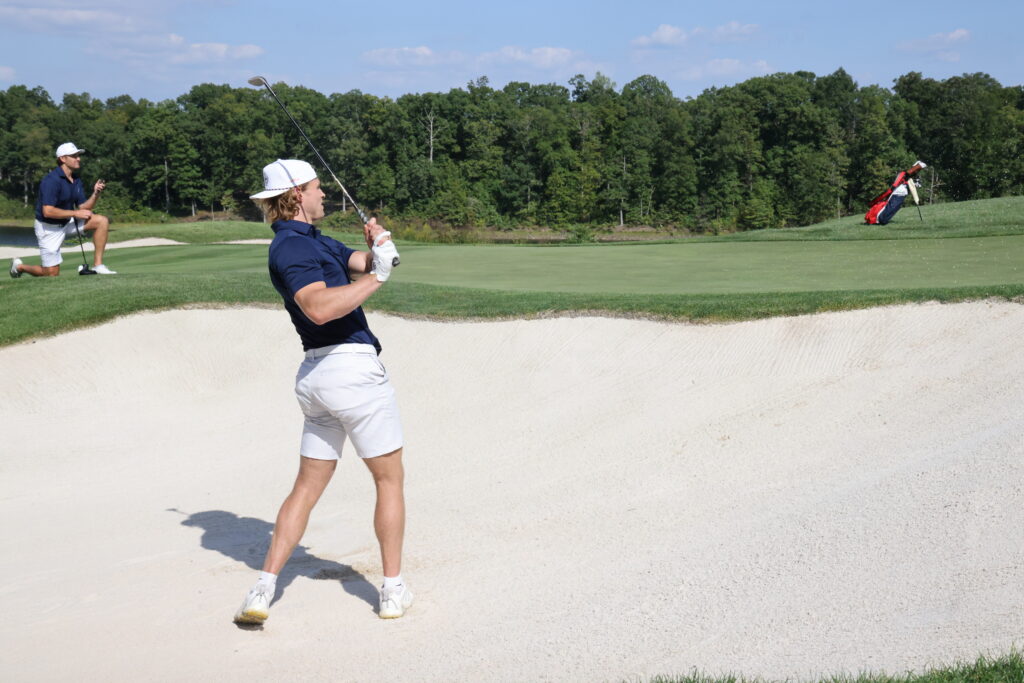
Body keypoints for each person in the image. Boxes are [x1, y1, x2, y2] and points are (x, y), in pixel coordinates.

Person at [233, 159, 409, 625]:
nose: (324, 195)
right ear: (296, 195)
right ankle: (392, 590)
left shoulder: (314, 239)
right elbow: (318, 308)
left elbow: (358, 263)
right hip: (348, 369)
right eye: (316, 188)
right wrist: (378, 278)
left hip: (319, 383)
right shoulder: (291, 248)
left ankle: (263, 588)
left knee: (307, 486)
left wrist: (379, 249)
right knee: (389, 479)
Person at [9, 142, 116, 278]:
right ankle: (19, 267)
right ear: (63, 159)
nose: (78, 158)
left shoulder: (75, 180)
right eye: (74, 156)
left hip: (67, 223)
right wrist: (75, 213)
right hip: (48, 229)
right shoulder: (51, 180)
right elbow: (48, 211)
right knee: (51, 274)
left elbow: (83, 207)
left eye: (78, 155)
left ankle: (98, 266)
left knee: (102, 221)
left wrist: (95, 194)